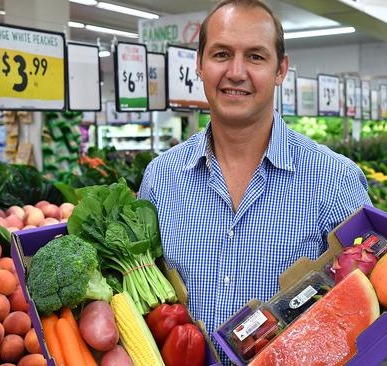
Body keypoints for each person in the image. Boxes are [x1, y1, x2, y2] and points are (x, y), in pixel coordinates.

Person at [138, 0, 371, 361]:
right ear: (199, 65)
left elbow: (372, 312)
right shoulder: (160, 178)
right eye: (221, 54)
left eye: (256, 57)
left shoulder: (335, 180)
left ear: (281, 69)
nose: (235, 72)